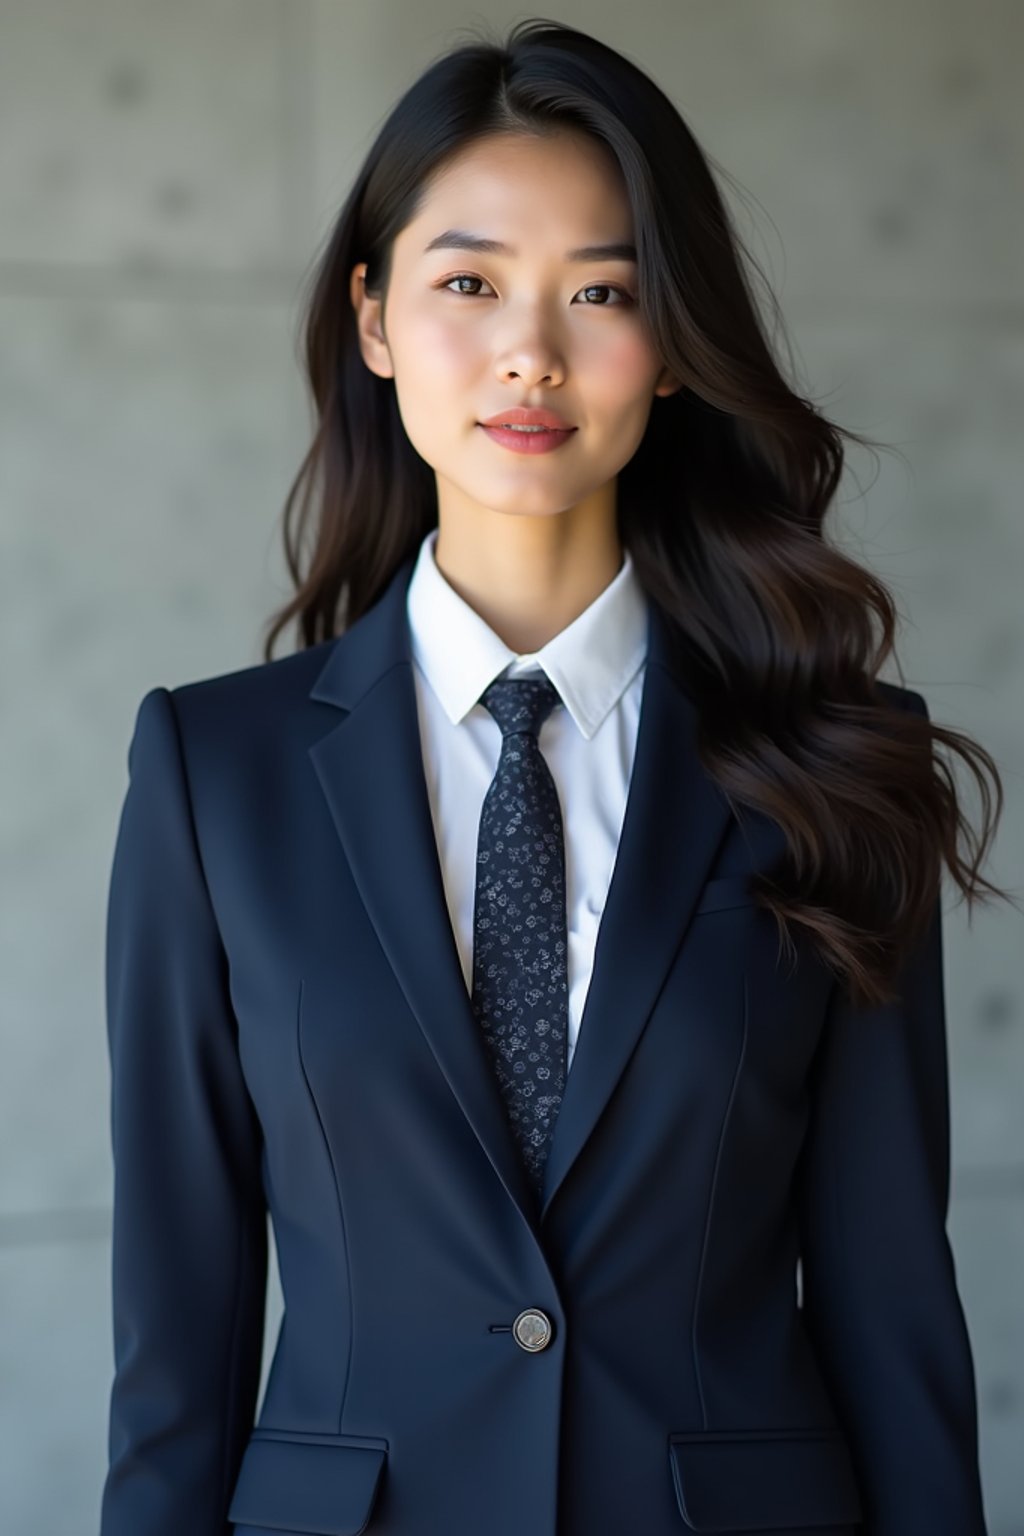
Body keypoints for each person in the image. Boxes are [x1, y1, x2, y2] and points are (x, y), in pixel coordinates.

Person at [98, 18, 1009, 1536]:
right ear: (375, 317)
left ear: (673, 348)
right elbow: (174, 1337)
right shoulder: (214, 773)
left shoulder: (837, 761)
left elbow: (893, 1307)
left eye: (602, 291)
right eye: (469, 283)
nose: (532, 349)